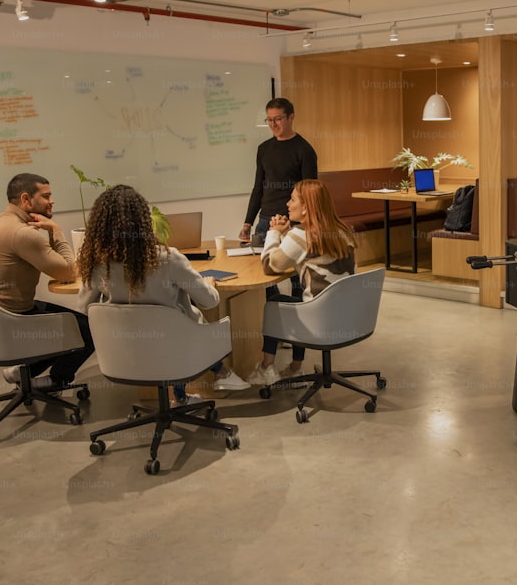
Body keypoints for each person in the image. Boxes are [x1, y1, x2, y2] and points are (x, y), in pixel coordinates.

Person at [77, 185, 250, 404]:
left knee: (172, 320)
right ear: (142, 221)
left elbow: (84, 308)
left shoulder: (97, 264)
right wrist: (208, 283)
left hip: (125, 351)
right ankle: (216, 376)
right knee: (182, 317)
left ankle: (187, 393)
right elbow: (209, 301)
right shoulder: (167, 259)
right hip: (176, 348)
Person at [0, 173, 94, 389]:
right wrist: (56, 231)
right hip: (11, 320)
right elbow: (68, 272)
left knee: (70, 323)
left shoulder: (2, 222)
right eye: (46, 196)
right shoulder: (22, 233)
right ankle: (56, 381)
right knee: (87, 329)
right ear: (25, 199)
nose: (52, 201)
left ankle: (24, 373)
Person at [246, 179, 356, 386]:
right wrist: (287, 233)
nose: (288, 204)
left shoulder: (301, 235)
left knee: (276, 302)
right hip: (349, 317)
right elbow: (305, 247)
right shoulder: (343, 230)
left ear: (306, 208)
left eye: (293, 199)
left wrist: (274, 233)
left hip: (319, 319)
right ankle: (295, 368)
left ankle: (266, 367)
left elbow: (270, 265)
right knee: (298, 298)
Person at [239, 98, 318, 301]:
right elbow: (258, 187)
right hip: (265, 219)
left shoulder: (304, 150)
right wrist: (248, 221)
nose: (273, 125)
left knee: (296, 276)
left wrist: (306, 223)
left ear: (291, 117)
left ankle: (301, 311)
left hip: (293, 221)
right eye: (269, 120)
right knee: (262, 269)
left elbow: (310, 192)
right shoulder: (264, 149)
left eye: (278, 119)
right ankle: (273, 310)